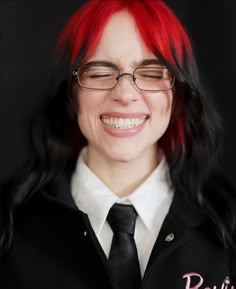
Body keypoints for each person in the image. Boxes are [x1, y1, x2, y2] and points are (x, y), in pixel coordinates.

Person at [0, 1, 236, 288]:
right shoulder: (9, 225)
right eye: (99, 72)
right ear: (71, 94)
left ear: (177, 96)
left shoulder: (227, 221)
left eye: (151, 72)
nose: (125, 94)